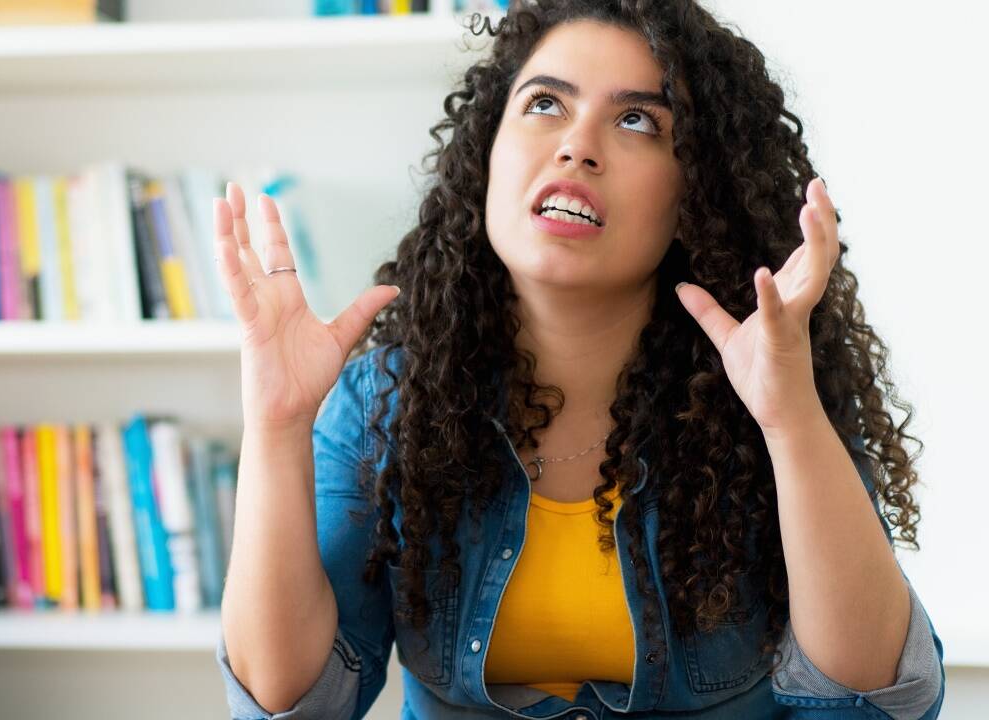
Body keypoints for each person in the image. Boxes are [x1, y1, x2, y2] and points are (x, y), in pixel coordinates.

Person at [210, 1, 945, 718]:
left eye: (637, 121)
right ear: (485, 155)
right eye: (544, 104)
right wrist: (276, 425)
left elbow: (875, 704)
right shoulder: (385, 406)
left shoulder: (773, 393)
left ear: (697, 192)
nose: (577, 145)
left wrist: (789, 423)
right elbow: (289, 704)